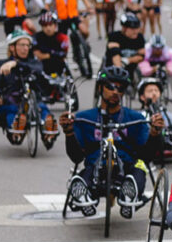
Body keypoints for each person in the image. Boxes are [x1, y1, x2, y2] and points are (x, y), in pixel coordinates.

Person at [60, 66, 163, 218]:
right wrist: (69, 132)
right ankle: (83, 194)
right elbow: (76, 158)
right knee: (84, 176)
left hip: (128, 168)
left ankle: (129, 195)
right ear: (100, 88)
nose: (116, 91)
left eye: (120, 89)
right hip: (95, 168)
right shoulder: (83, 118)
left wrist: (155, 133)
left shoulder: (136, 118)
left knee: (138, 171)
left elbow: (146, 157)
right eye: (110, 87)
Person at [0, 30, 55, 140]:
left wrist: (16, 63)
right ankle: (15, 127)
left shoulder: (34, 63)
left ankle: (48, 127)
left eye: (28, 45)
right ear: (12, 47)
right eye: (22, 45)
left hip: (32, 102)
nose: (26, 48)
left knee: (42, 108)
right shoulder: (0, 64)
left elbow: (38, 70)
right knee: (11, 111)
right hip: (9, 101)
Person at [45, 0, 91, 76]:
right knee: (62, 42)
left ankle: (84, 45)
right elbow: (47, 3)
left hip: (73, 16)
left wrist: (88, 7)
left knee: (85, 31)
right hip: (61, 19)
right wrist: (47, 12)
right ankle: (62, 63)